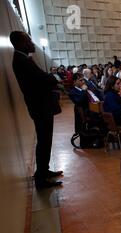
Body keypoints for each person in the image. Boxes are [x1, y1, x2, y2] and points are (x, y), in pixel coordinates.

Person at [10, 31, 63, 189]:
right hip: (40, 107)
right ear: (20, 43)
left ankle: (44, 171)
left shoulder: (23, 59)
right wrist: (53, 78)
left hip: (40, 106)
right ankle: (41, 178)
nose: (32, 43)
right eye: (28, 40)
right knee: (44, 141)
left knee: (45, 140)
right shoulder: (22, 61)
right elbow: (44, 79)